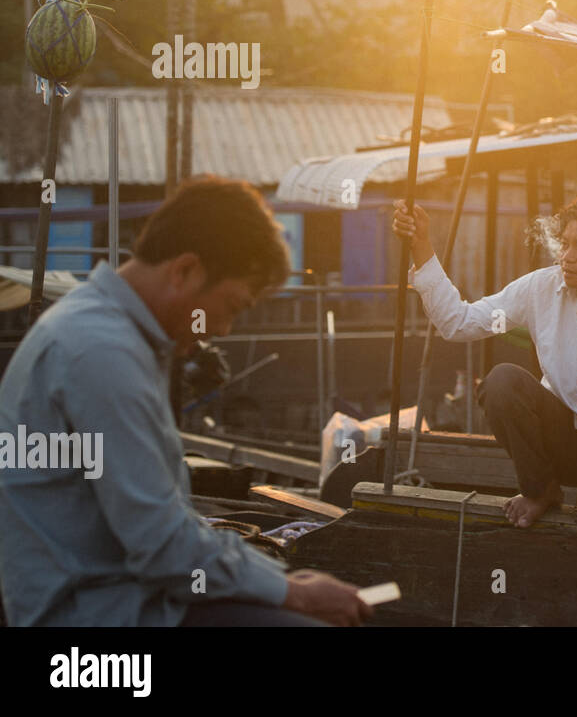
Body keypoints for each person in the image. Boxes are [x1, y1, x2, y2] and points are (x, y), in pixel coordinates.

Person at [0, 176, 372, 627]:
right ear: (184, 271)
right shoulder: (101, 353)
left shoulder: (107, 333)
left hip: (133, 597)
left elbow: (163, 525)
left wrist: (277, 582)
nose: (225, 329)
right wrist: (295, 593)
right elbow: (163, 548)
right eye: (232, 306)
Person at [393, 195, 577, 542]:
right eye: (565, 244)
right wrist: (422, 247)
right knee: (501, 382)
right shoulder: (542, 287)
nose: (567, 257)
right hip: (556, 443)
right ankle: (541, 490)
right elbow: (458, 322)